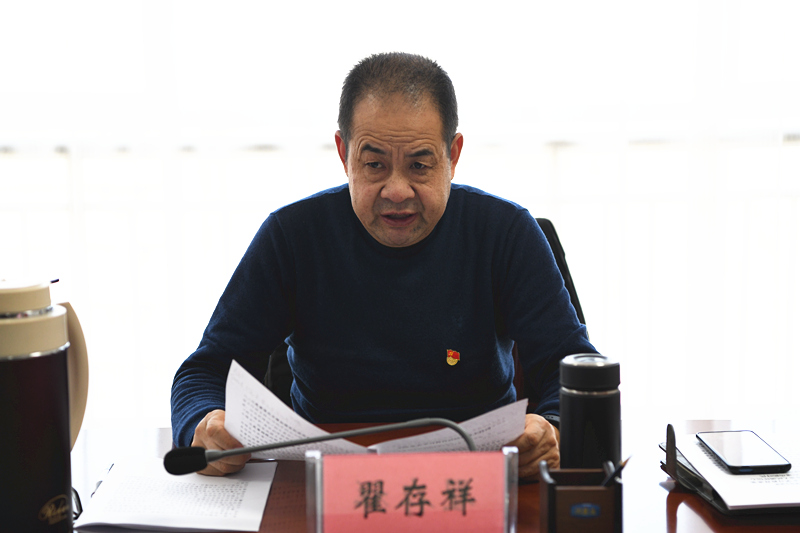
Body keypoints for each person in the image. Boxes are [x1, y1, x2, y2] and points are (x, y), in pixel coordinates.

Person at [171, 52, 596, 480]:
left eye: (419, 165)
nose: (396, 191)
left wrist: (554, 430)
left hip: (476, 481)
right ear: (344, 153)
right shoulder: (293, 237)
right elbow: (204, 372)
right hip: (327, 483)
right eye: (374, 164)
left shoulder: (505, 233)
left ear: (452, 155)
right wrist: (205, 424)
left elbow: (576, 369)